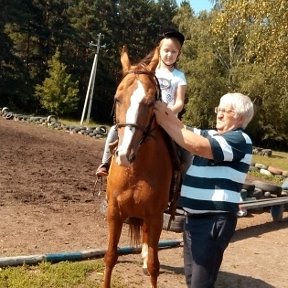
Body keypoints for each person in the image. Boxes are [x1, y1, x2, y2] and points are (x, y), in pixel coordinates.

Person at [154, 92, 254, 288]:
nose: (220, 114)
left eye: (227, 111)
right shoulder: (214, 134)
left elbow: (198, 146)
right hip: (194, 219)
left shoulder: (239, 139)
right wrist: (161, 108)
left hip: (213, 221)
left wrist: (164, 122)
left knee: (201, 283)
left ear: (240, 118)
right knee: (193, 279)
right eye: (220, 109)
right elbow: (182, 128)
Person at [96, 28, 187, 176]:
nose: (169, 55)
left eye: (174, 52)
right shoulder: (150, 72)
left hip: (168, 118)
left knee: (185, 147)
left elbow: (180, 103)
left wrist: (166, 112)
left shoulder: (179, 76)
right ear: (159, 51)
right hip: (147, 115)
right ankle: (105, 163)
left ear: (179, 54)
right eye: (166, 50)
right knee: (114, 130)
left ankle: (182, 177)